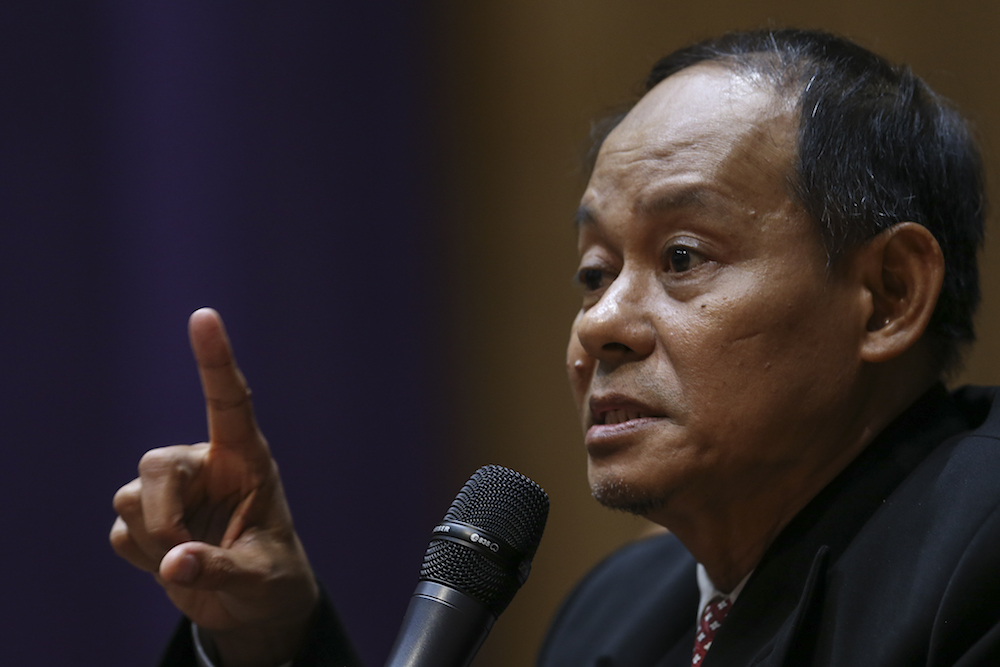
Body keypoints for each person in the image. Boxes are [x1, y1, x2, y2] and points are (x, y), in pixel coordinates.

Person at [111, 28, 1000, 666]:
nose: (600, 324)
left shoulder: (980, 548)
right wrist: (270, 636)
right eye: (594, 271)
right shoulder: (618, 614)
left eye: (683, 258)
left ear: (888, 297)